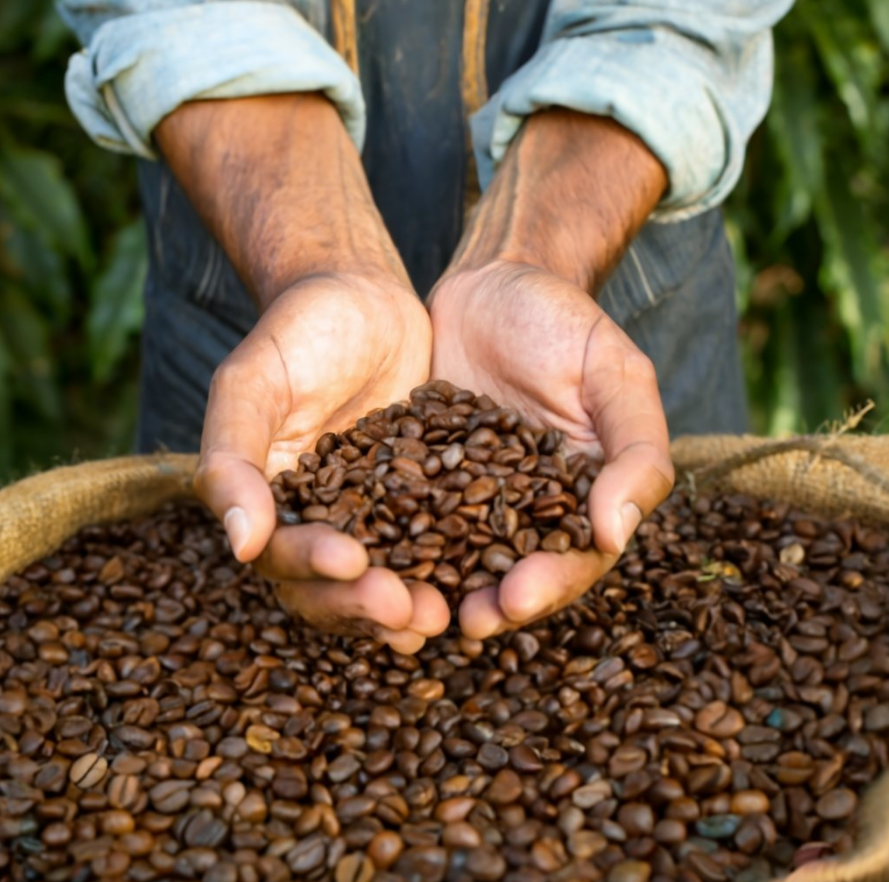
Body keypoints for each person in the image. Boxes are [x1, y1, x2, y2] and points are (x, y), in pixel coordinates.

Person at [59, 0, 793, 653]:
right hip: (247, 276)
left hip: (611, 288)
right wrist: (322, 260)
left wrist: (530, 255)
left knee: (689, 623)